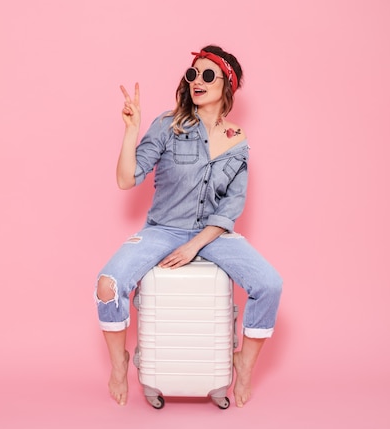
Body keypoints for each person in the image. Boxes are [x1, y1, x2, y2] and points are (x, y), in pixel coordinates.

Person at [94, 45, 282, 407]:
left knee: (269, 284)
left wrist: (195, 245)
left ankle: (244, 365)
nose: (197, 81)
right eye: (192, 74)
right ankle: (118, 364)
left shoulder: (236, 139)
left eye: (207, 75)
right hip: (164, 228)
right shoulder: (168, 124)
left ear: (227, 85)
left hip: (213, 233)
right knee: (108, 284)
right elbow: (125, 179)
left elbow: (232, 205)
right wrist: (131, 130)